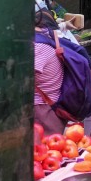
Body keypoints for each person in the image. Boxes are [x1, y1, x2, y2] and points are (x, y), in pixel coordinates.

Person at [33, 8, 66, 136]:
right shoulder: (50, 41)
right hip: (50, 106)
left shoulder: (39, 47)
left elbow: (26, 79)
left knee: (41, 151)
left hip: (41, 109)